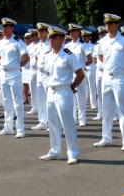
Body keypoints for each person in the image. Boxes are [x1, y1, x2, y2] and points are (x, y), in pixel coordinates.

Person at [95, 13, 124, 151]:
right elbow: (99, 55)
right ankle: (106, 137)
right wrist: (109, 65)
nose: (108, 26)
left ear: (117, 25)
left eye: (110, 23)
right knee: (107, 110)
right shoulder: (102, 41)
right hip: (106, 77)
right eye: (106, 23)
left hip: (120, 78)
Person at [39, 26, 85, 165]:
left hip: (64, 91)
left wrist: (72, 86)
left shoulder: (69, 55)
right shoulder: (48, 55)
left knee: (67, 123)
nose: (50, 40)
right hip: (51, 92)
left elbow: (80, 74)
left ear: (62, 39)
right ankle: (55, 150)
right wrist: (48, 84)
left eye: (54, 38)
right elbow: (45, 72)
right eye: (50, 37)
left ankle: (72, 152)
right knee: (52, 123)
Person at [0, 18, 29, 138]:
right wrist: (4, 64)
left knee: (17, 102)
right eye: (3, 27)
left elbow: (25, 57)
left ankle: (20, 128)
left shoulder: (18, 42)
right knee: (6, 101)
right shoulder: (0, 42)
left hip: (14, 73)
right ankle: (8, 127)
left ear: (12, 28)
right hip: (3, 73)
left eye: (6, 27)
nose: (3, 29)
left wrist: (16, 66)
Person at [66, 23, 93, 127]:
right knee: (71, 98)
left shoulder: (83, 45)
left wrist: (81, 66)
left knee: (81, 98)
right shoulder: (67, 46)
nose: (72, 33)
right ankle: (72, 118)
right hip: (70, 74)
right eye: (71, 31)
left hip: (80, 74)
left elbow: (90, 59)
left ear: (78, 32)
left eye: (74, 31)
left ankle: (82, 119)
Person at [32, 22, 51, 130]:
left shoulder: (50, 44)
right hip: (39, 72)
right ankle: (43, 121)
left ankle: (50, 121)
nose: (39, 33)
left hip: (47, 73)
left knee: (49, 99)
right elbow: (36, 58)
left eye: (41, 31)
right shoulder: (36, 46)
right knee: (41, 98)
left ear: (46, 32)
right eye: (38, 31)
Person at [22, 33, 32, 105]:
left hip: (31, 67)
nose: (26, 40)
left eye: (27, 38)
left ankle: (34, 101)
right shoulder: (23, 47)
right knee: (25, 84)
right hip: (24, 68)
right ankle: (26, 99)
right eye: (25, 38)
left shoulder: (32, 46)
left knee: (32, 86)